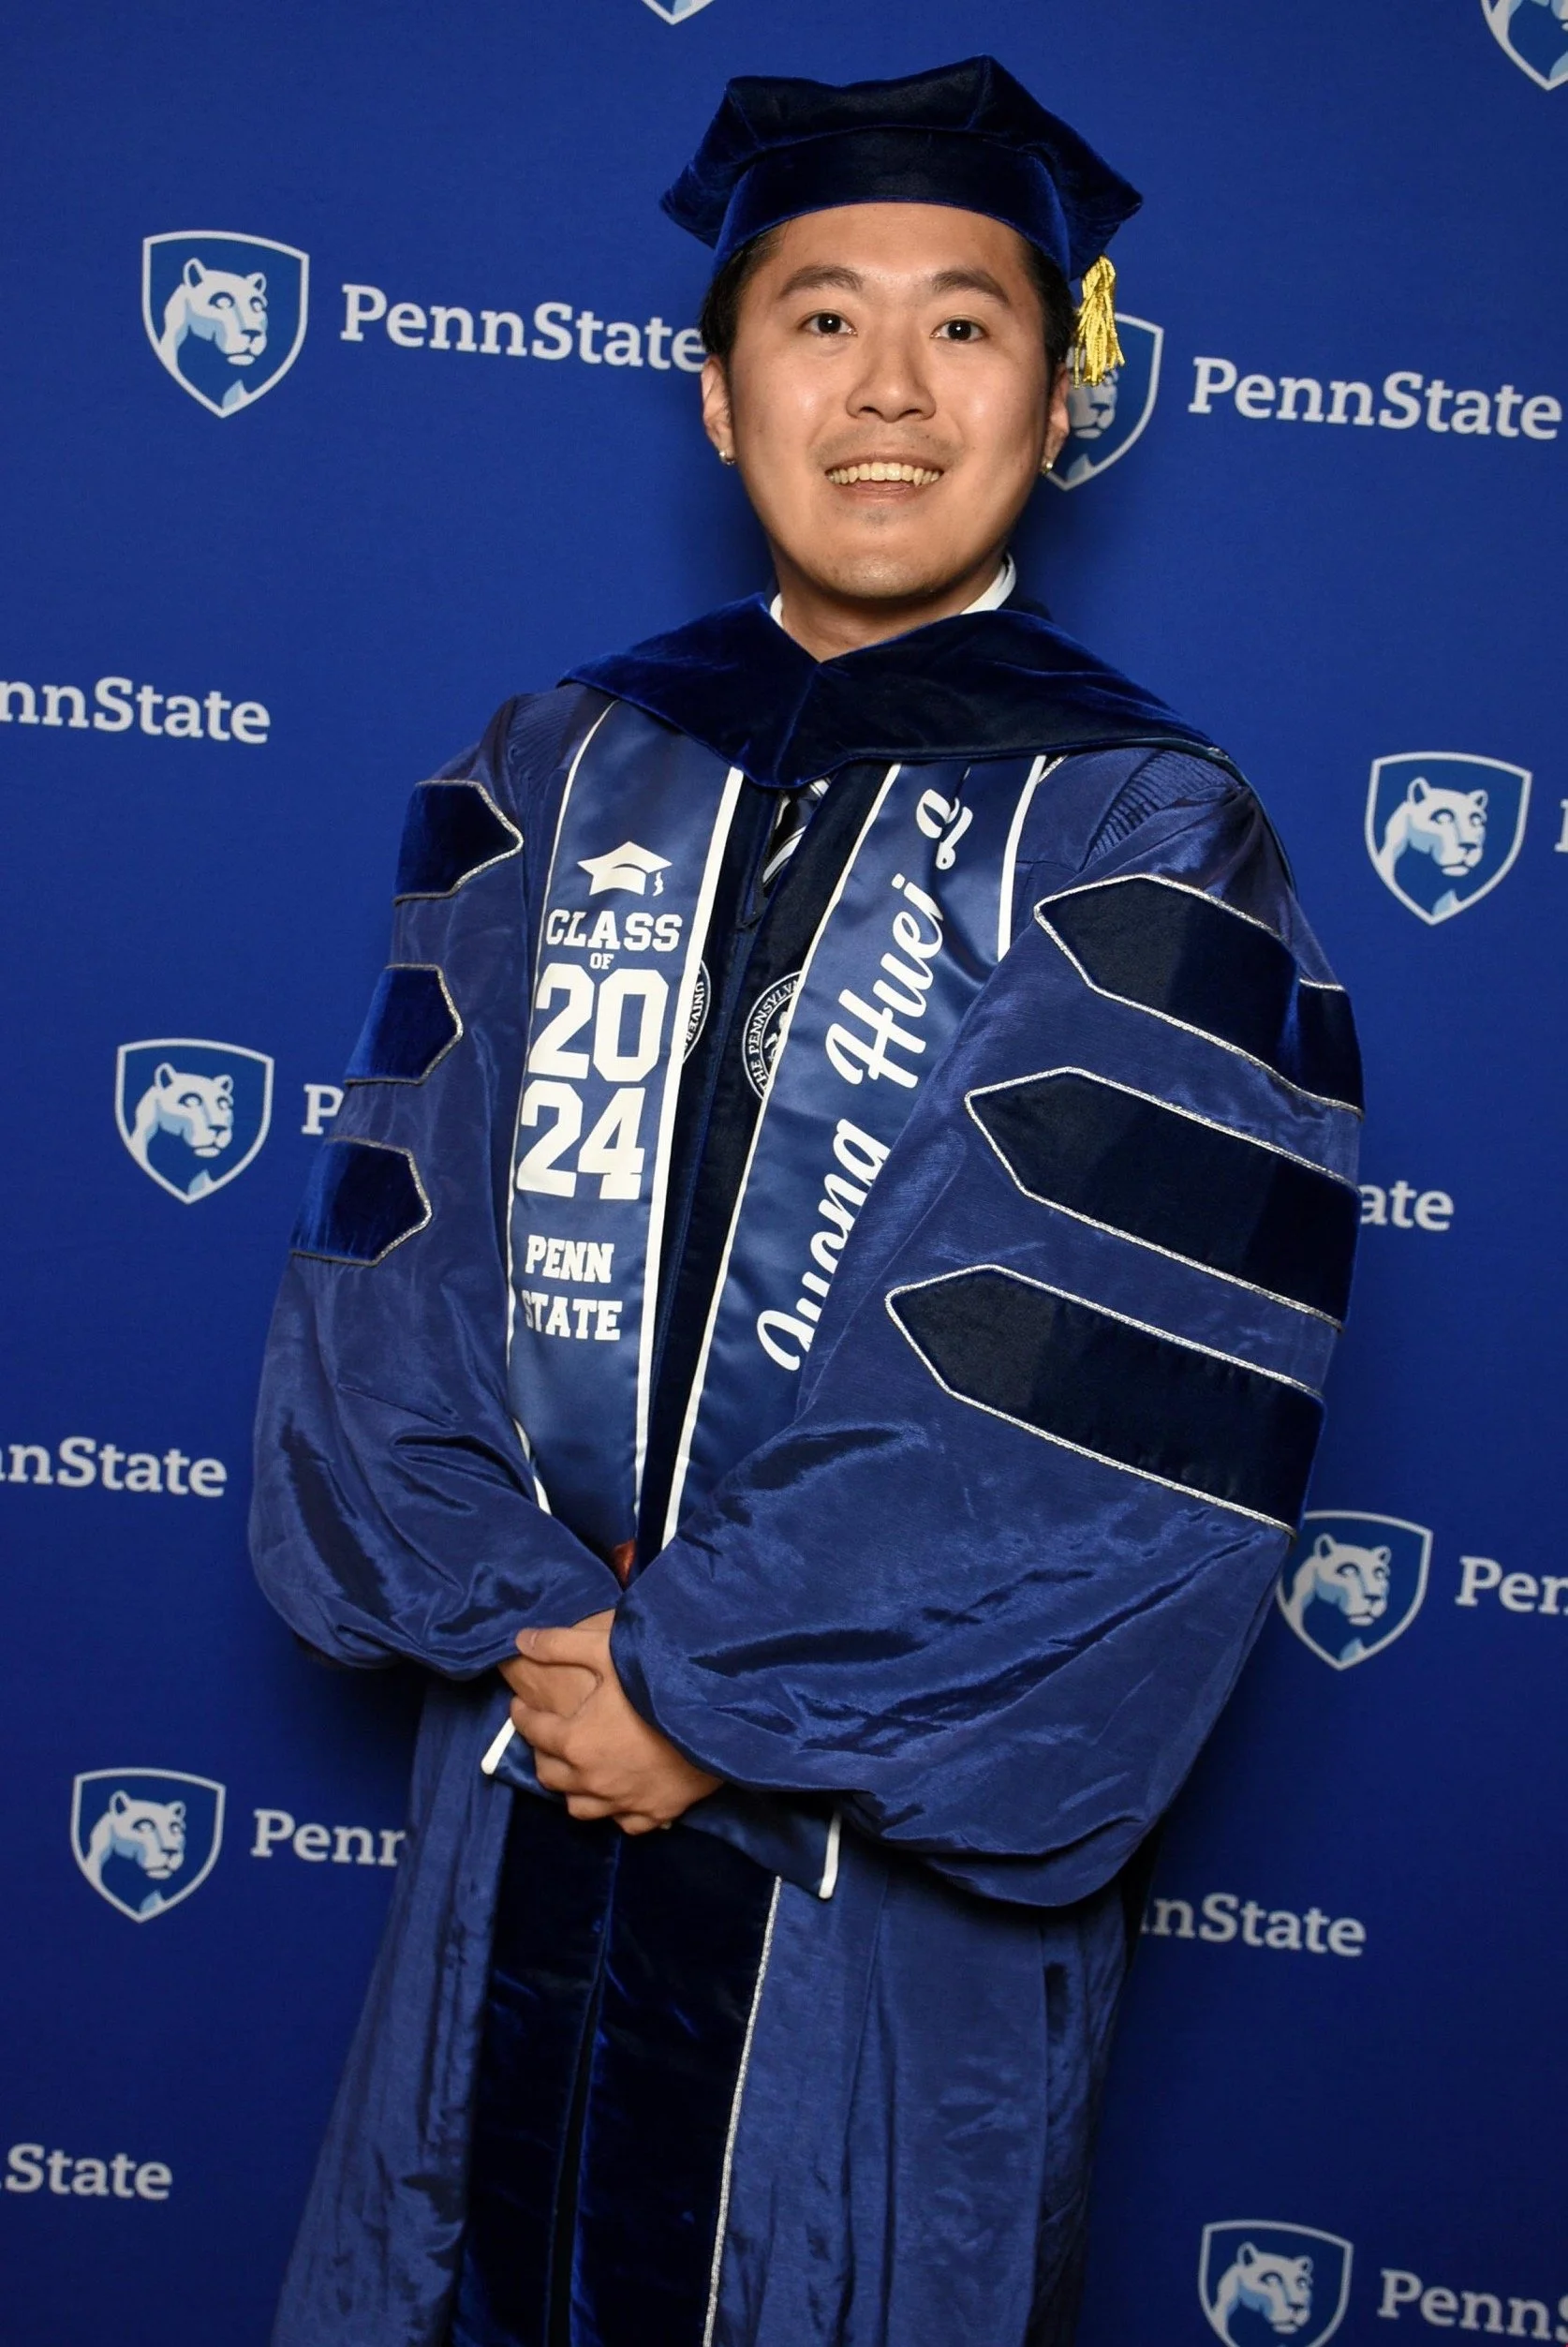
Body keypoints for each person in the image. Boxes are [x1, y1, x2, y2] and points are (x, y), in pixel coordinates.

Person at [251, 54, 1361, 2347]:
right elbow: (402, 1281)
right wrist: (554, 1651)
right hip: (526, 1765)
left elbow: (1079, 1413)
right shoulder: (551, 768)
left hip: (867, 1878)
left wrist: (702, 1693)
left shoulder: (1151, 832)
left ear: (1065, 397)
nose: (886, 389)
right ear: (714, 387)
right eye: (817, 317)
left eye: (965, 325)